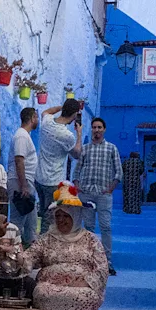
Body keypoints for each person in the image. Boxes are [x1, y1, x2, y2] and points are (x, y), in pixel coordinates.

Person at [18, 182, 109, 310]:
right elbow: (29, 257)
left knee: (86, 297)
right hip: (49, 287)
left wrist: (83, 283)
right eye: (57, 216)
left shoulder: (91, 240)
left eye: (66, 216)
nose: (61, 220)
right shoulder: (46, 239)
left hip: (83, 288)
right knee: (42, 292)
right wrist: (17, 256)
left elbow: (101, 268)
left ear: (75, 216)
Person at [72, 117, 122, 275]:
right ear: (91, 129)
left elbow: (119, 172)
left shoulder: (111, 148)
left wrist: (110, 189)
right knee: (88, 228)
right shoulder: (85, 149)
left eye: (100, 127)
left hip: (103, 194)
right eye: (94, 127)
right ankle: (90, 261)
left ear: (104, 129)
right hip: (86, 193)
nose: (97, 130)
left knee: (106, 227)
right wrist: (78, 186)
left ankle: (107, 262)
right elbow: (77, 170)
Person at [34, 99, 82, 234]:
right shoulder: (67, 136)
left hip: (39, 178)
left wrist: (63, 107)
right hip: (53, 181)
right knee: (50, 218)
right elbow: (77, 154)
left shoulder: (47, 122)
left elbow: (46, 111)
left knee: (43, 213)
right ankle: (44, 247)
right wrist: (79, 134)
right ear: (74, 115)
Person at [7, 107, 39, 245]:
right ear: (32, 118)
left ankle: (31, 251)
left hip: (26, 183)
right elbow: (19, 160)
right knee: (17, 222)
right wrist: (23, 185)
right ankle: (10, 252)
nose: (38, 120)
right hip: (20, 183)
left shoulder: (25, 136)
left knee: (31, 222)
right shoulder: (21, 136)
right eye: (36, 117)